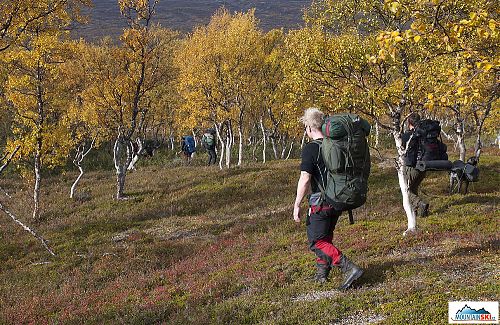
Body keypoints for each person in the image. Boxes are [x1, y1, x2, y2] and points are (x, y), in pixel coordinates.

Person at [293, 107, 364, 290]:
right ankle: (321, 275)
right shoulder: (335, 144)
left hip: (321, 203)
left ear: (309, 127)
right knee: (325, 238)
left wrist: (297, 204)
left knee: (317, 242)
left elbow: (305, 178)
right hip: (337, 200)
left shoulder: (311, 149)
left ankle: (350, 268)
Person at [402, 113, 429, 217]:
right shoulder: (424, 134)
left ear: (409, 123)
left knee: (406, 190)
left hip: (411, 167)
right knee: (413, 189)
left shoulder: (407, 135)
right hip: (423, 167)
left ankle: (420, 204)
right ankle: (417, 212)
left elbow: (402, 150)